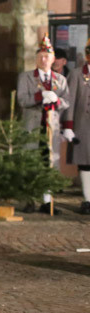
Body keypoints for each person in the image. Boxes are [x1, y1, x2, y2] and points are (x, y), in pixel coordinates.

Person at [17, 35, 69, 214]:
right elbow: (22, 100)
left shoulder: (60, 80)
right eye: (40, 56)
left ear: (53, 59)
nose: (44, 59)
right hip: (32, 127)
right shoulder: (26, 77)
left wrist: (55, 100)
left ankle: (48, 201)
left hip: (51, 128)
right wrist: (39, 97)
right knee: (30, 162)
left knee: (50, 163)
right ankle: (29, 199)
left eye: (47, 56)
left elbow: (66, 101)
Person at [62, 40, 90, 214]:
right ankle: (88, 200)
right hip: (83, 125)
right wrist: (68, 126)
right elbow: (69, 102)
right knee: (86, 163)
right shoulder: (77, 74)